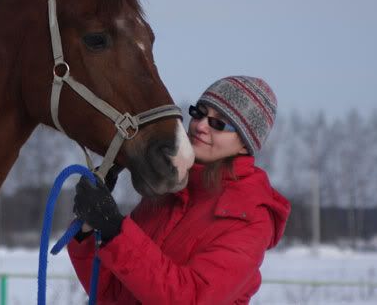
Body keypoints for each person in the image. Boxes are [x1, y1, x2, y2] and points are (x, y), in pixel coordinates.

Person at [68, 76, 291, 305]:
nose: (201, 126)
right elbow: (109, 293)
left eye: (219, 123)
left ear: (246, 143)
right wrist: (90, 227)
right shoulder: (170, 192)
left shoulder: (251, 217)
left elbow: (190, 298)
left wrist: (115, 229)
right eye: (199, 113)